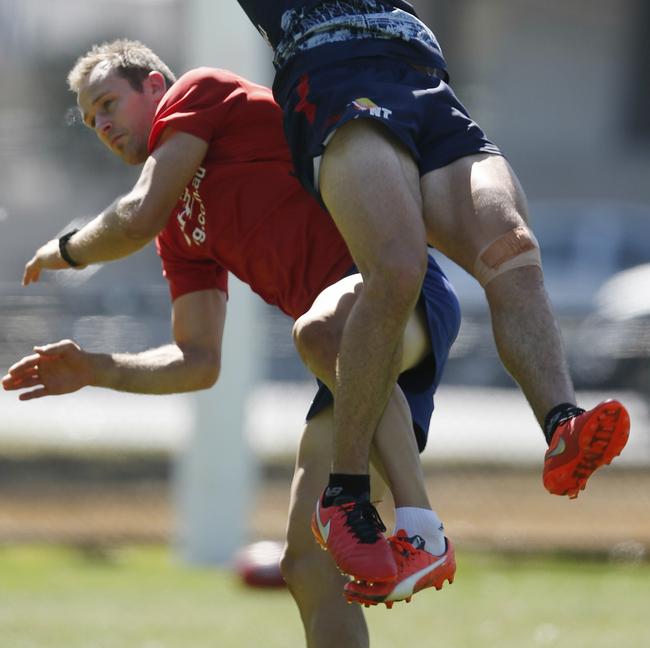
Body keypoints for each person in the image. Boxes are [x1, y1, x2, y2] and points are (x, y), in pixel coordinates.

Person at [192, 0, 631, 584]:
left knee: (511, 245)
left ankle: (561, 426)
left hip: (426, 85)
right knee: (391, 268)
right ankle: (348, 491)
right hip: (336, 83)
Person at [3, 38, 460, 645]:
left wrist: (65, 249)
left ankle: (422, 530)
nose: (103, 125)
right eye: (90, 120)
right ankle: (415, 529)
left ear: (155, 87)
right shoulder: (177, 227)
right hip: (342, 353)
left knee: (323, 332)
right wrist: (96, 367)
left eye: (109, 103)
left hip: (398, 287)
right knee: (308, 564)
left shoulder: (201, 91)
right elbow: (198, 361)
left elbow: (135, 216)